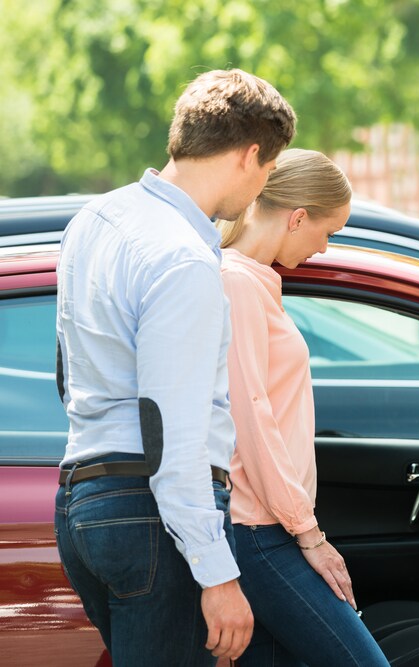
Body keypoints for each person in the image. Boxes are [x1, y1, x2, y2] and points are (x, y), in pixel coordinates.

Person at [54, 69, 296, 665]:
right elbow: (172, 430)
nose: (263, 185)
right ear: (249, 154)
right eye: (269, 170)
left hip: (82, 505)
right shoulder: (183, 259)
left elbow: (68, 371)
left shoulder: (94, 222)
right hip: (150, 515)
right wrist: (217, 574)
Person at [216, 148, 389, 666]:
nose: (325, 247)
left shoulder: (254, 282)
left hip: (268, 527)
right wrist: (309, 535)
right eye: (328, 231)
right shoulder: (236, 283)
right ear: (297, 218)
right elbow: (251, 420)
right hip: (258, 531)